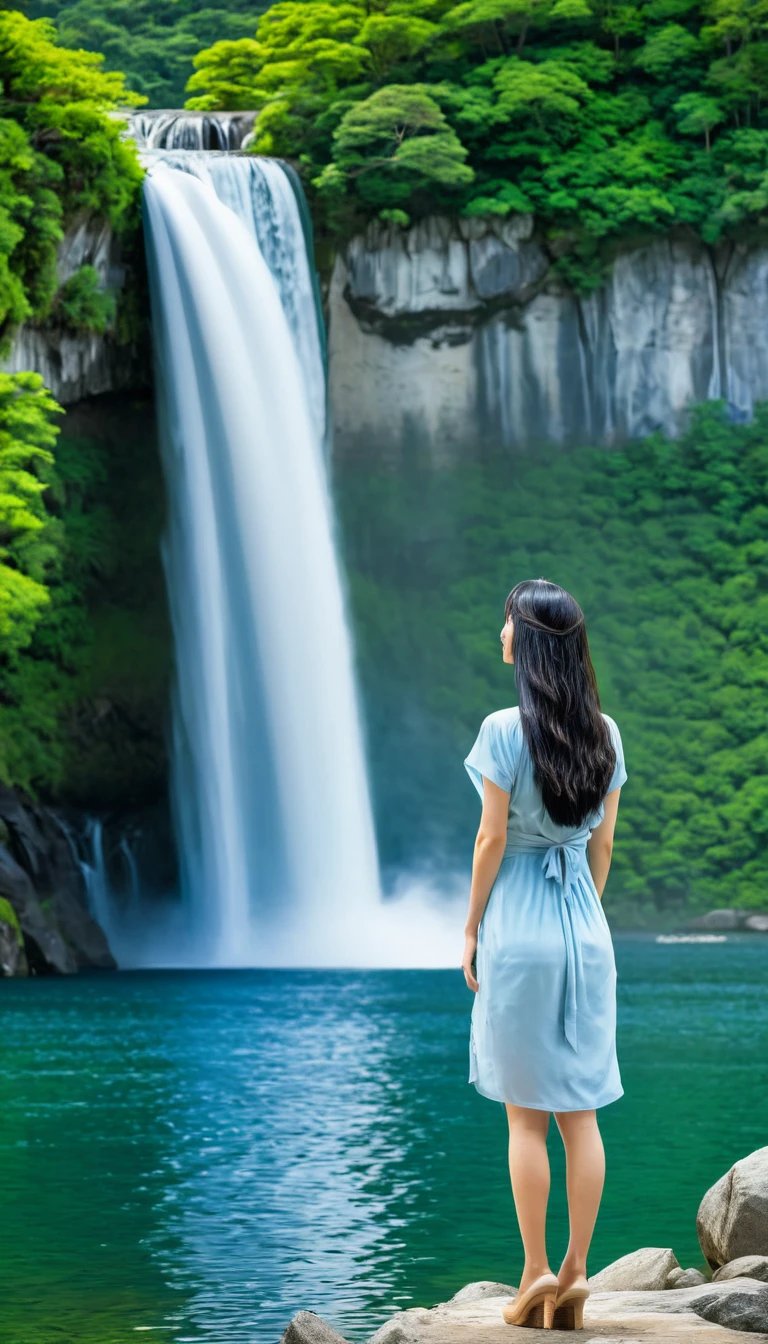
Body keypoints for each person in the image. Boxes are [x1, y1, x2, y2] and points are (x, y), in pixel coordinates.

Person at [461, 578, 627, 1331]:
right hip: (584, 928)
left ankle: (532, 1275)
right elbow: (602, 845)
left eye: (505, 625)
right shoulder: (607, 733)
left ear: (524, 640)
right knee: (580, 1115)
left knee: (525, 1120)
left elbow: (493, 838)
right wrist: (584, 912)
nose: (498, 635)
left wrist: (470, 928)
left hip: (520, 925)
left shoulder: (502, 728)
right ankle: (577, 1271)